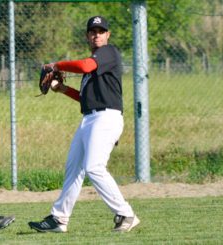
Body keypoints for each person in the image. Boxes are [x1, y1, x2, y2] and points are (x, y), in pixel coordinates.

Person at [28, 16, 140, 233]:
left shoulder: (108, 53)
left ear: (107, 34)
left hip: (106, 118)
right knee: (74, 168)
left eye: (101, 30)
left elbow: (85, 65)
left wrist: (56, 65)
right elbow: (87, 99)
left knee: (93, 167)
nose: (96, 34)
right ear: (87, 36)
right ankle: (59, 219)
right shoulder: (95, 63)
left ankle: (126, 214)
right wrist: (63, 90)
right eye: (92, 31)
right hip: (90, 118)